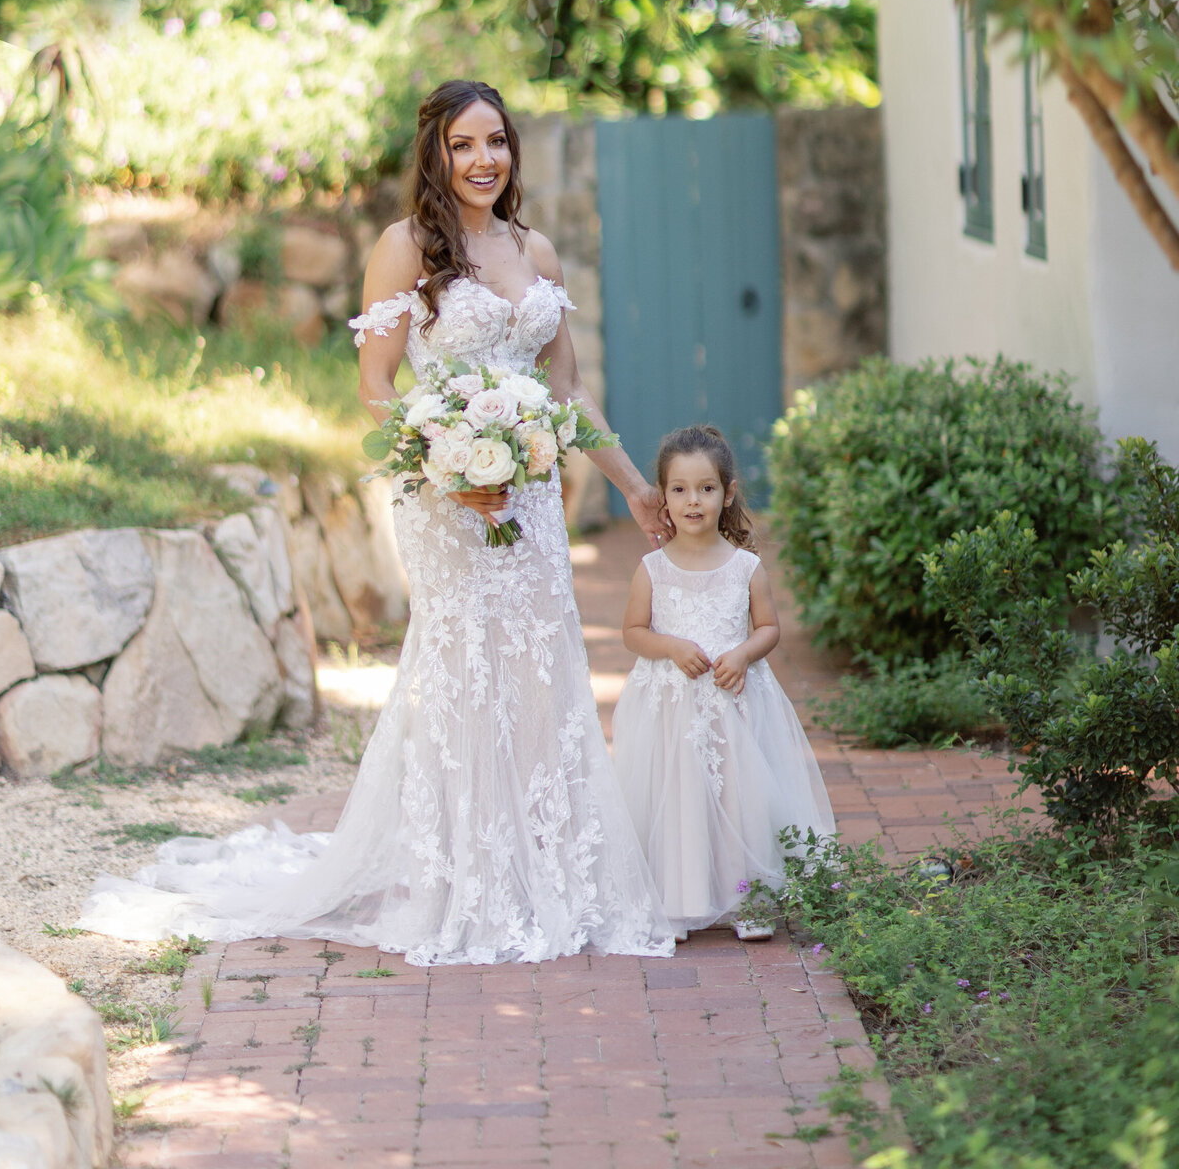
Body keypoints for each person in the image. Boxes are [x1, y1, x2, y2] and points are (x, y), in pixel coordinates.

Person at [82, 79, 673, 965]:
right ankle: (465, 882)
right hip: (447, 498)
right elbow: (374, 386)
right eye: (465, 144)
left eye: (497, 142)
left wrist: (631, 486)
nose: (484, 160)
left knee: (543, 669)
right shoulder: (406, 249)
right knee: (465, 667)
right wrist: (442, 462)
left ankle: (549, 868)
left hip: (533, 503)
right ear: (435, 153)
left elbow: (566, 391)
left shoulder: (536, 249)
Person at [612, 424, 835, 940]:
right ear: (662, 496)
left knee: (739, 796)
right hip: (670, 708)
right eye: (680, 489)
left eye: (706, 488)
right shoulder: (652, 569)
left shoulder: (746, 568)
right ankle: (680, 901)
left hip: (734, 703)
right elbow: (632, 632)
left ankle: (748, 897)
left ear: (728, 492)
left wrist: (743, 652)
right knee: (677, 796)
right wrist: (669, 646)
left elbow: (770, 628)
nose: (693, 501)